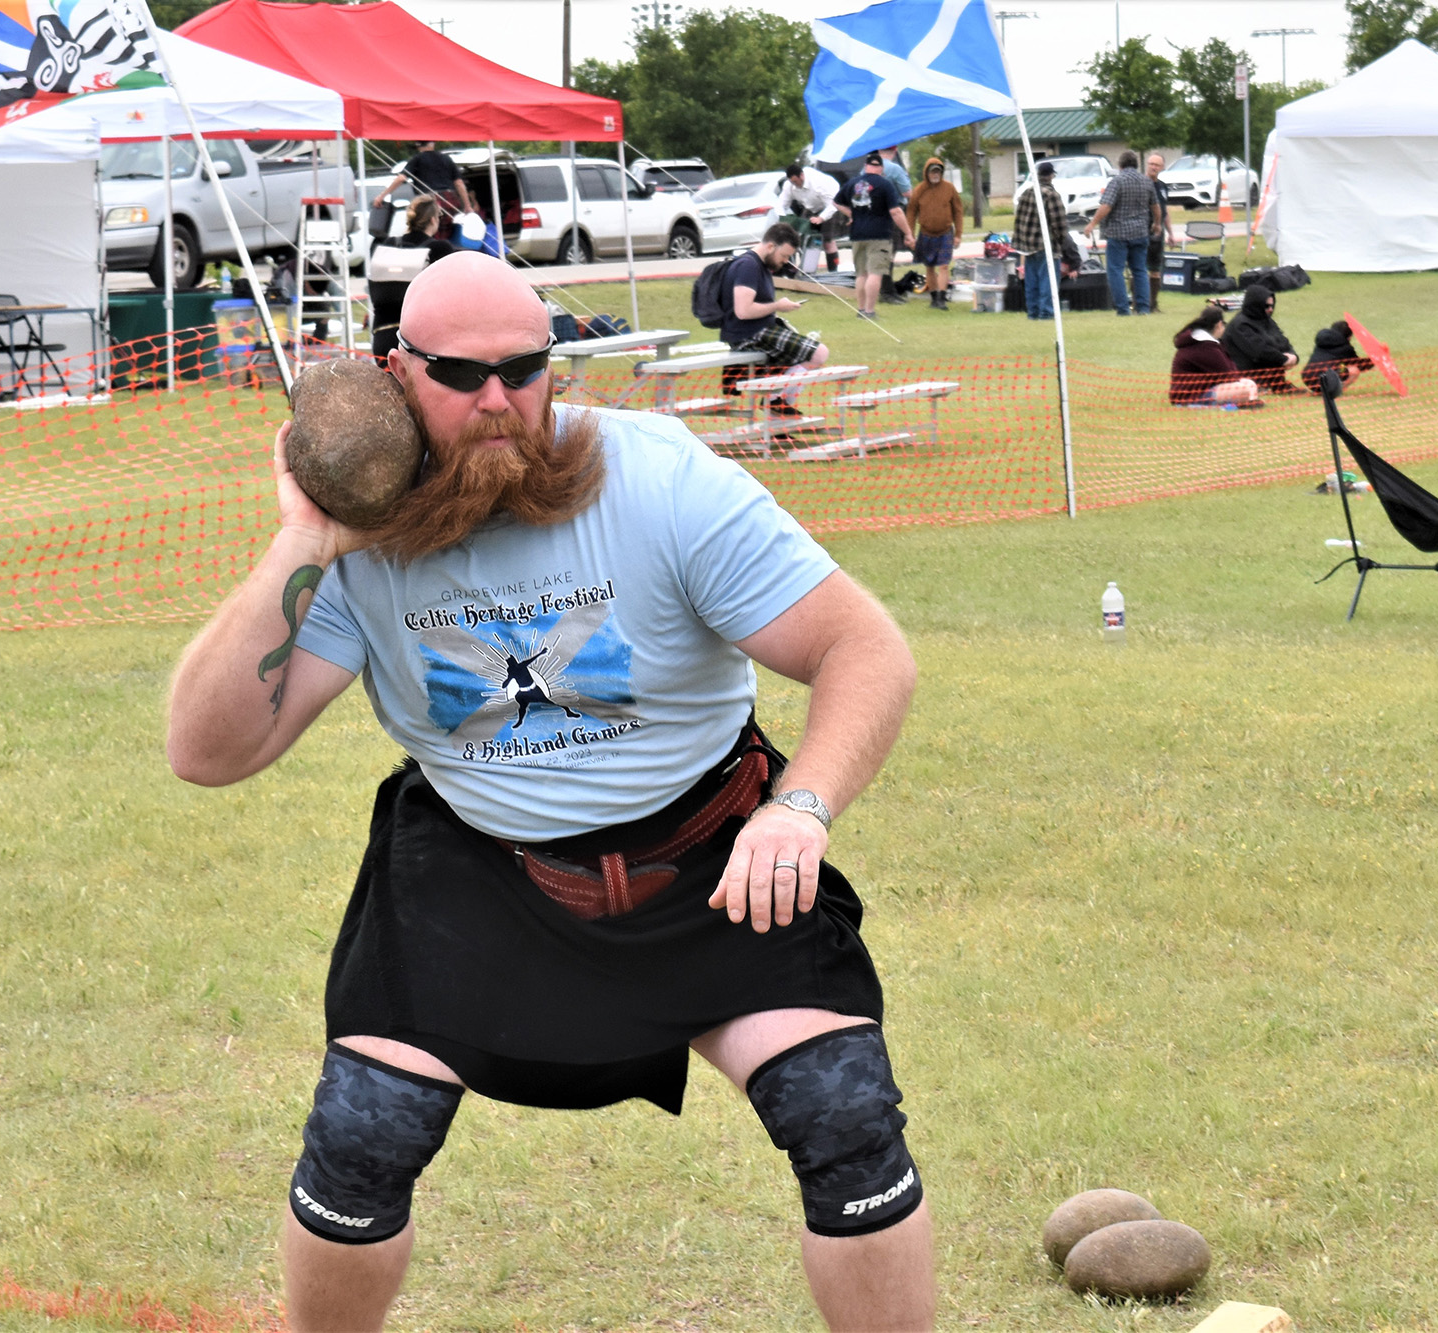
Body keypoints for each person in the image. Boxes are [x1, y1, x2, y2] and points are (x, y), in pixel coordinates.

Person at [165, 250, 931, 1333]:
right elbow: (211, 750)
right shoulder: (363, 535)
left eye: (524, 371)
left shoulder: (658, 478)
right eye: (460, 375)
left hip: (706, 849)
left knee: (843, 1112)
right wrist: (306, 535)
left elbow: (864, 648)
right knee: (362, 1133)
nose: (496, 402)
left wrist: (797, 808)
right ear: (396, 372)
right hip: (483, 866)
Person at [722, 223, 832, 419]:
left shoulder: (759, 265)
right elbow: (743, 311)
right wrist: (777, 306)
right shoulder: (748, 266)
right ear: (771, 246)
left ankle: (777, 419)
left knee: (800, 361)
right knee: (819, 353)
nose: (786, 261)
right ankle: (774, 401)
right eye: (784, 256)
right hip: (749, 335)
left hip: (761, 330)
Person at [368, 197, 461, 364]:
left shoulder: (387, 245)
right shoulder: (440, 249)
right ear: (433, 219)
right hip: (419, 338)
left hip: (382, 334)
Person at [834, 153, 914, 319]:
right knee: (875, 273)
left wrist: (851, 214)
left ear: (866, 166)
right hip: (879, 235)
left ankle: (861, 309)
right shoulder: (885, 185)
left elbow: (836, 202)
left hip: (857, 235)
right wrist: (908, 233)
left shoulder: (853, 183)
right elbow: (896, 211)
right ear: (881, 168)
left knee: (861, 274)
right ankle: (870, 312)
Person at [1083, 150, 1161, 316]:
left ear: (1120, 166)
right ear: (1136, 164)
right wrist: (1157, 223)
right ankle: (1143, 308)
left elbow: (1106, 206)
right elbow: (1155, 206)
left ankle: (1123, 308)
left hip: (1118, 233)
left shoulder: (1117, 181)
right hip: (1140, 232)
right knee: (1139, 270)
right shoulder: (1146, 182)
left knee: (1116, 271)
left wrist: (1092, 223)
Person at [1014, 160, 1080, 322]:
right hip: (1047, 246)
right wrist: (1061, 242)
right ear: (1051, 176)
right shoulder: (1051, 195)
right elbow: (1060, 224)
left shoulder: (1026, 193)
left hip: (1028, 247)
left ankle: (1033, 312)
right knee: (1048, 282)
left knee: (1032, 282)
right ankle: (1046, 313)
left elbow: (1019, 220)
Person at [1168, 304, 1260, 407]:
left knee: (1250, 384)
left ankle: (1247, 403)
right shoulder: (1205, 346)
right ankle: (1244, 403)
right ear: (1219, 325)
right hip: (1189, 396)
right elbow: (1228, 375)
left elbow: (1229, 372)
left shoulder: (1208, 343)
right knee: (1242, 389)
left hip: (1203, 388)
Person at [904, 157, 962, 310]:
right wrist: (910, 235)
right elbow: (911, 213)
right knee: (929, 267)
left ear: (942, 172)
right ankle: (934, 298)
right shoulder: (919, 190)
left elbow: (958, 211)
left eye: (938, 171)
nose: (935, 174)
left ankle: (942, 299)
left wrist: (958, 235)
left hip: (946, 233)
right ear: (927, 173)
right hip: (926, 233)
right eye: (932, 172)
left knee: (943, 266)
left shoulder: (949, 188)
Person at [1220, 284, 1300, 394]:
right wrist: (1284, 360)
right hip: (1245, 377)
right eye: (1266, 306)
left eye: (1272, 306)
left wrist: (1293, 356)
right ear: (1256, 305)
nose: (1271, 309)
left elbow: (1282, 341)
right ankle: (1264, 386)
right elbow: (1259, 351)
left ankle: (1276, 385)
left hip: (1269, 374)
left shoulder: (1267, 321)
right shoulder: (1240, 324)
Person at [373, 141, 478, 217]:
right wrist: (467, 206)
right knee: (450, 234)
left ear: (418, 146)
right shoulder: (447, 158)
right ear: (433, 144)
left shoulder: (417, 159)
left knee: (429, 235)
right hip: (450, 200)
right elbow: (459, 183)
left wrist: (381, 196)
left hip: (428, 201)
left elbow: (401, 179)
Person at [778, 163, 841, 274]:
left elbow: (832, 206)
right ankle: (807, 271)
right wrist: (782, 218)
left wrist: (821, 218)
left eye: (795, 181)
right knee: (802, 239)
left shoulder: (819, 184)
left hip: (829, 206)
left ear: (801, 176)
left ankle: (833, 272)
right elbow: (781, 204)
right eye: (791, 182)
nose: (794, 184)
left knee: (828, 242)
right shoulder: (789, 185)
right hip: (810, 207)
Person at [1301, 319, 1374, 396]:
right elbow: (1360, 365)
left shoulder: (1321, 340)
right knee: (1353, 370)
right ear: (1348, 336)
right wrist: (1374, 359)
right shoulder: (1345, 347)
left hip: (1308, 378)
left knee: (1341, 366)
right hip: (1327, 380)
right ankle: (1334, 393)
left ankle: (1320, 392)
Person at [1143, 152, 1179, 297]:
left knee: (1156, 268)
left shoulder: (1163, 187)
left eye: (1156, 165)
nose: (1153, 167)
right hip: (1142, 230)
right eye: (1151, 164)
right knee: (1139, 267)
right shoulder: (1142, 183)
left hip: (1158, 233)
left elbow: (1165, 211)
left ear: (1162, 167)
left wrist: (1170, 233)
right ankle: (1139, 301)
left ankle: (1153, 303)